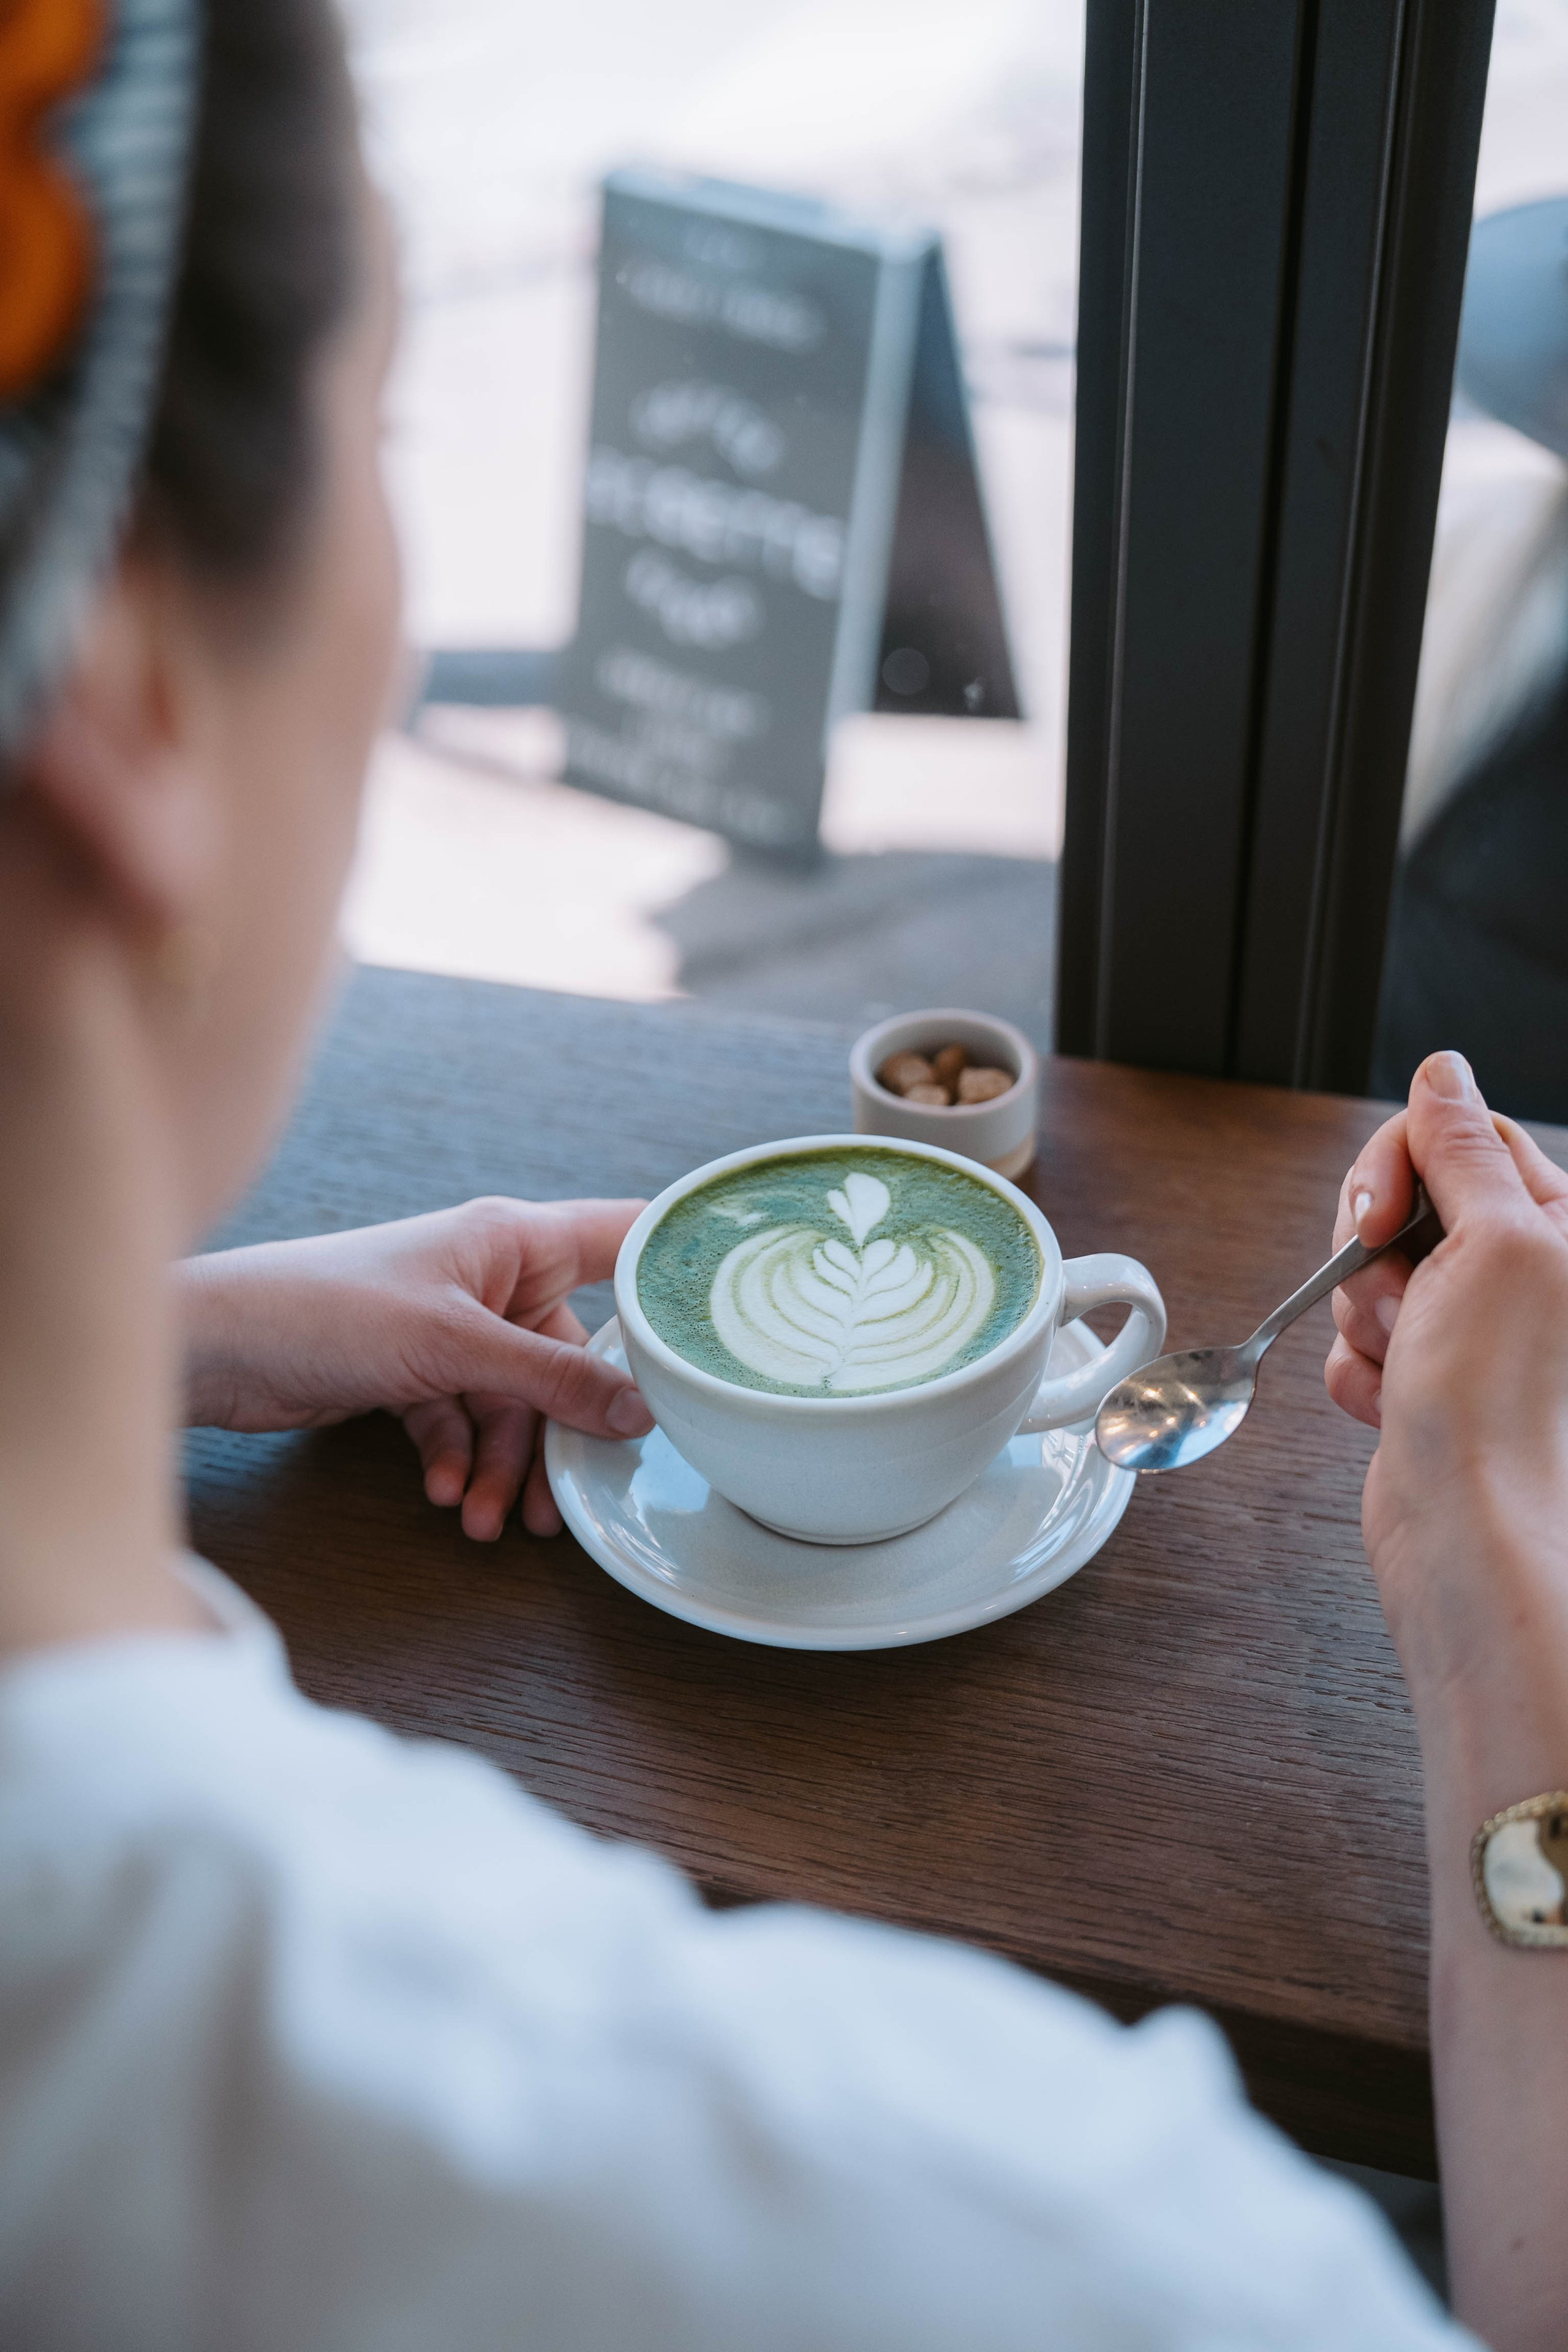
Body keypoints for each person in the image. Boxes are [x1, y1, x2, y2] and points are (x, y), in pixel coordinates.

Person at [0, 4, 1561, 2347]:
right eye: (389, 433)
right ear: (126, 677)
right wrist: (1506, 1617)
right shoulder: (1034, 2249)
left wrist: (171, 1324)